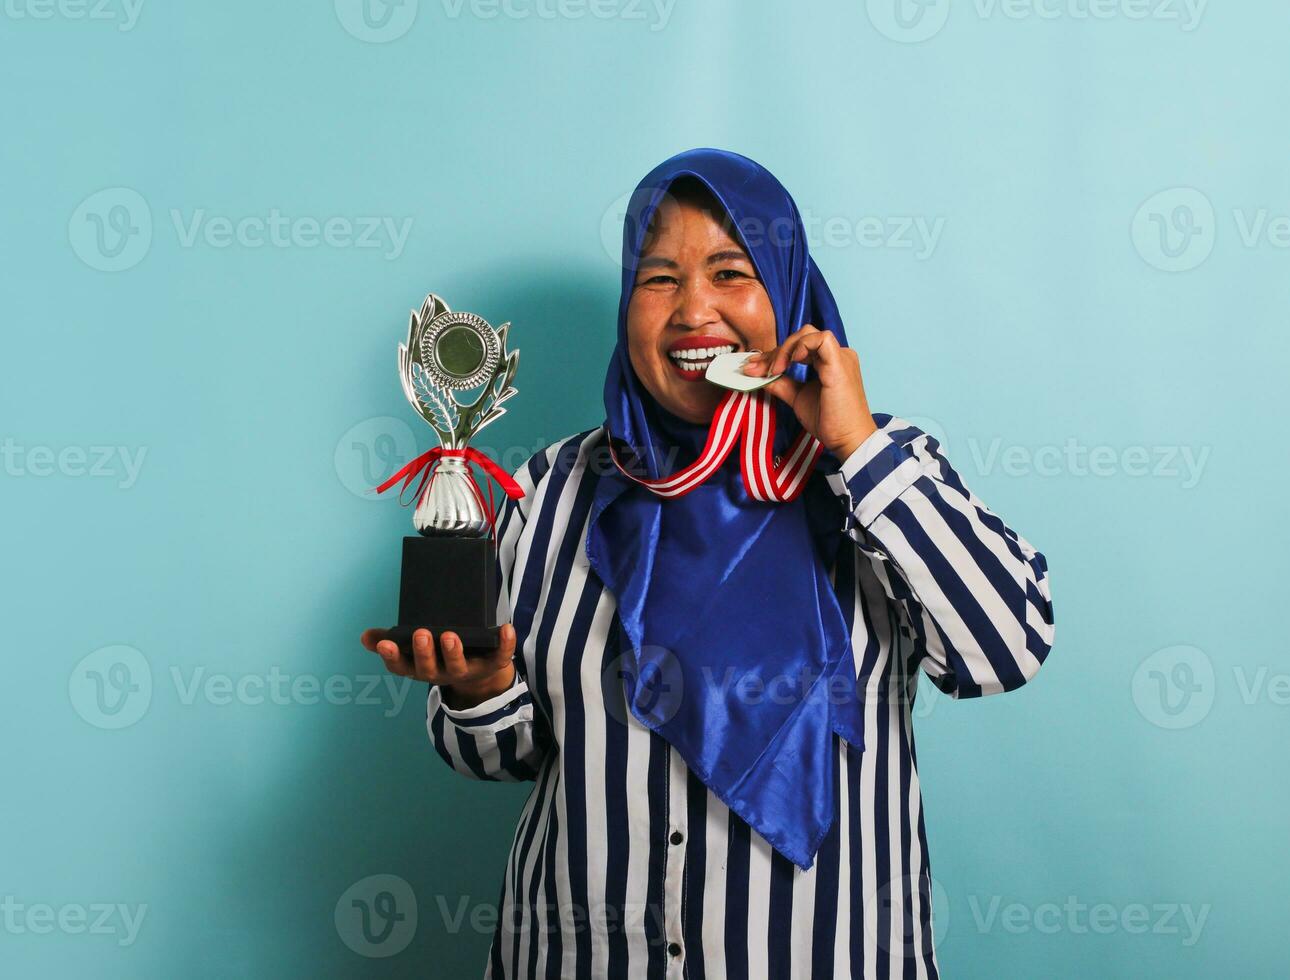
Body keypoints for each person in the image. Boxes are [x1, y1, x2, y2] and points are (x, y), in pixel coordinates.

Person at [361, 148, 1055, 979]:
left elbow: (1006, 647)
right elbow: (503, 754)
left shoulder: (879, 471)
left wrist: (853, 446)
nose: (694, 311)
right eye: (659, 279)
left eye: (732, 272)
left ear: (790, 290)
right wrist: (474, 692)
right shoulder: (550, 489)